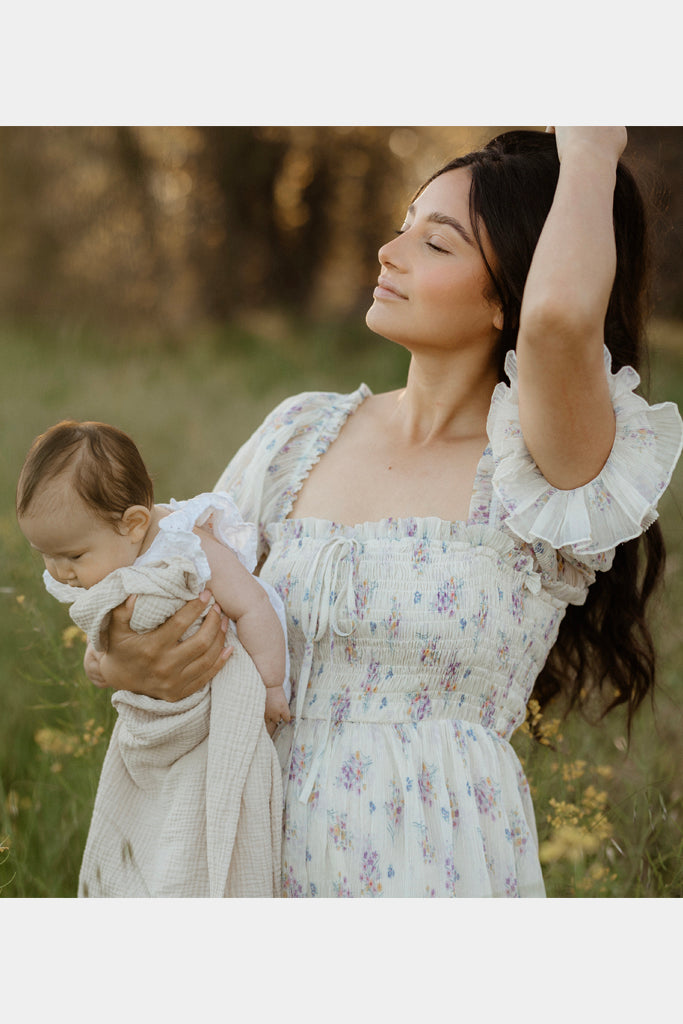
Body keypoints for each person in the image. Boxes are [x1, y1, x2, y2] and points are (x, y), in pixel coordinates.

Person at [80, 128, 682, 897]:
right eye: (404, 222)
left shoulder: (546, 471)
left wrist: (592, 145)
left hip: (434, 859)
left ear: (510, 297)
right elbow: (164, 588)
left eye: (436, 244)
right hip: (249, 850)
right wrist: (112, 659)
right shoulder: (299, 431)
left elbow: (560, 319)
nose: (388, 251)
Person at [16, 421, 291, 896]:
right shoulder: (111, 552)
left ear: (134, 524)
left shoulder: (188, 545)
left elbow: (253, 606)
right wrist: (99, 658)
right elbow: (107, 621)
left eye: (73, 556)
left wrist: (269, 684)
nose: (62, 572)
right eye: (46, 556)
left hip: (238, 665)